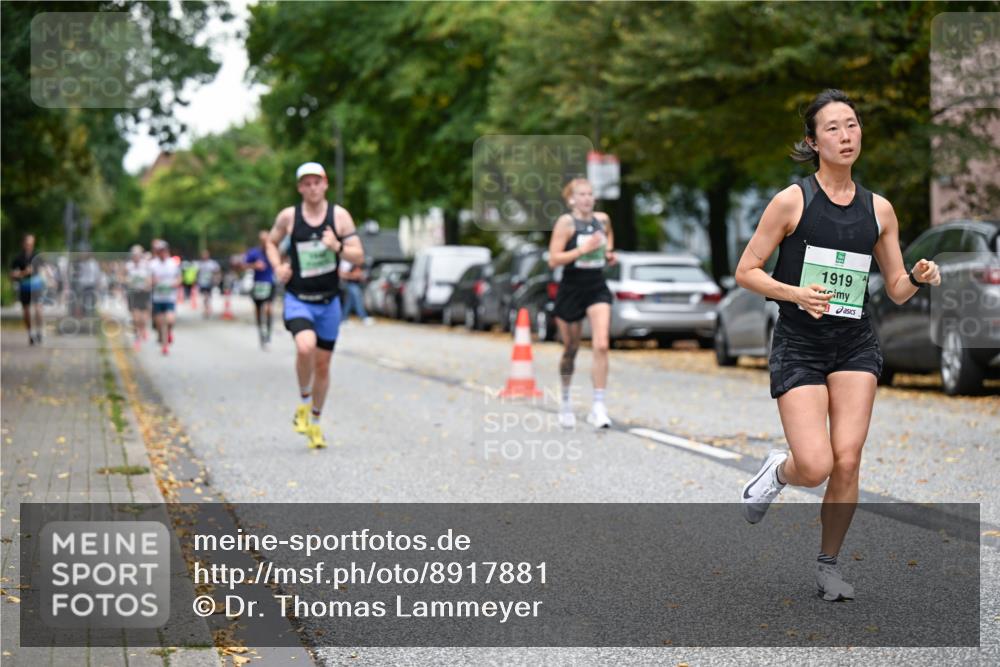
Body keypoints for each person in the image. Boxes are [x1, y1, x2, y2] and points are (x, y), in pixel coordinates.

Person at [735, 89, 941, 601]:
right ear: (813, 141)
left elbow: (894, 287)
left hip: (854, 344)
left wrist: (917, 275)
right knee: (816, 465)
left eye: (852, 125)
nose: (846, 136)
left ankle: (828, 567)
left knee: (847, 460)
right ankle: (779, 472)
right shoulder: (793, 201)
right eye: (833, 128)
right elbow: (746, 271)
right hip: (799, 343)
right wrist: (795, 293)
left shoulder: (880, 210)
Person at [266, 162, 365, 449]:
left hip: (329, 301)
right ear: (300, 188)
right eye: (306, 183)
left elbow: (358, 256)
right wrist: (278, 267)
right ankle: (304, 401)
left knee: (323, 365)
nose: (312, 188)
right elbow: (271, 243)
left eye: (316, 182)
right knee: (305, 346)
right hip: (299, 299)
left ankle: (316, 423)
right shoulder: (289, 216)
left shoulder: (339, 216)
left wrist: (337, 247)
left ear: (325, 184)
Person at [547, 178, 617, 430]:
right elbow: (553, 260)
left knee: (601, 344)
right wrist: (582, 250)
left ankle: (599, 407)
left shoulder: (603, 219)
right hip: (571, 289)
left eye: (590, 193)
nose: (587, 198)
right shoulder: (565, 223)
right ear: (571, 199)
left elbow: (608, 237)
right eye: (582, 194)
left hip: (596, 287)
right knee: (571, 348)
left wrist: (608, 253)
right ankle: (565, 401)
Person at [9, 234, 45, 344]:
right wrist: (23, 273)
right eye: (28, 243)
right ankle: (30, 334)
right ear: (23, 244)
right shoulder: (18, 258)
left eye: (31, 244)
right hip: (24, 287)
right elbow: (12, 275)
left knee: (38, 309)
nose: (29, 246)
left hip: (36, 286)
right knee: (26, 311)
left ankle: (39, 332)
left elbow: (42, 270)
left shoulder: (37, 256)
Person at [244, 231, 277, 348]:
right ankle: (261, 333)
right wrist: (254, 265)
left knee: (268, 309)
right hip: (258, 284)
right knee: (258, 310)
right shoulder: (254, 252)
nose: (265, 242)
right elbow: (244, 265)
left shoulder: (273, 251)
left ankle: (268, 334)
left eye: (267, 240)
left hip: (270, 283)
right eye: (263, 240)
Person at [149, 239, 181, 356]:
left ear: (167, 251)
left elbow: (179, 278)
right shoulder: (152, 264)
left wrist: (175, 283)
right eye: (160, 251)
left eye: (164, 250)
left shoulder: (173, 263)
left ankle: (169, 333)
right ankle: (164, 346)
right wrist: (153, 281)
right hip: (157, 298)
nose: (162, 253)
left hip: (169, 297)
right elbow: (148, 280)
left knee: (170, 320)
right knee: (159, 323)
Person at [124, 244, 152, 350]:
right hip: (133, 293)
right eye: (134, 254)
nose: (136, 256)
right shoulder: (128, 265)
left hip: (144, 293)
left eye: (138, 254)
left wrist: (147, 285)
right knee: (135, 317)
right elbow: (122, 276)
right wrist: (127, 281)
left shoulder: (146, 265)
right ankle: (137, 338)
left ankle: (143, 329)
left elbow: (150, 278)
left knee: (143, 318)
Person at [338, 259, 374, 325]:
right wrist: (353, 276)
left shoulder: (353, 262)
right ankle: (363, 317)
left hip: (355, 283)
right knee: (358, 297)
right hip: (348, 283)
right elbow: (341, 273)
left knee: (349, 302)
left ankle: (343, 318)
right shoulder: (345, 262)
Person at [196, 249, 221, 318]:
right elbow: (197, 273)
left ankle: (207, 309)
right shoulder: (200, 264)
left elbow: (217, 272)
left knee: (207, 296)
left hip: (210, 282)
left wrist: (217, 279)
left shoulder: (212, 263)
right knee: (205, 296)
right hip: (202, 282)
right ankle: (207, 308)